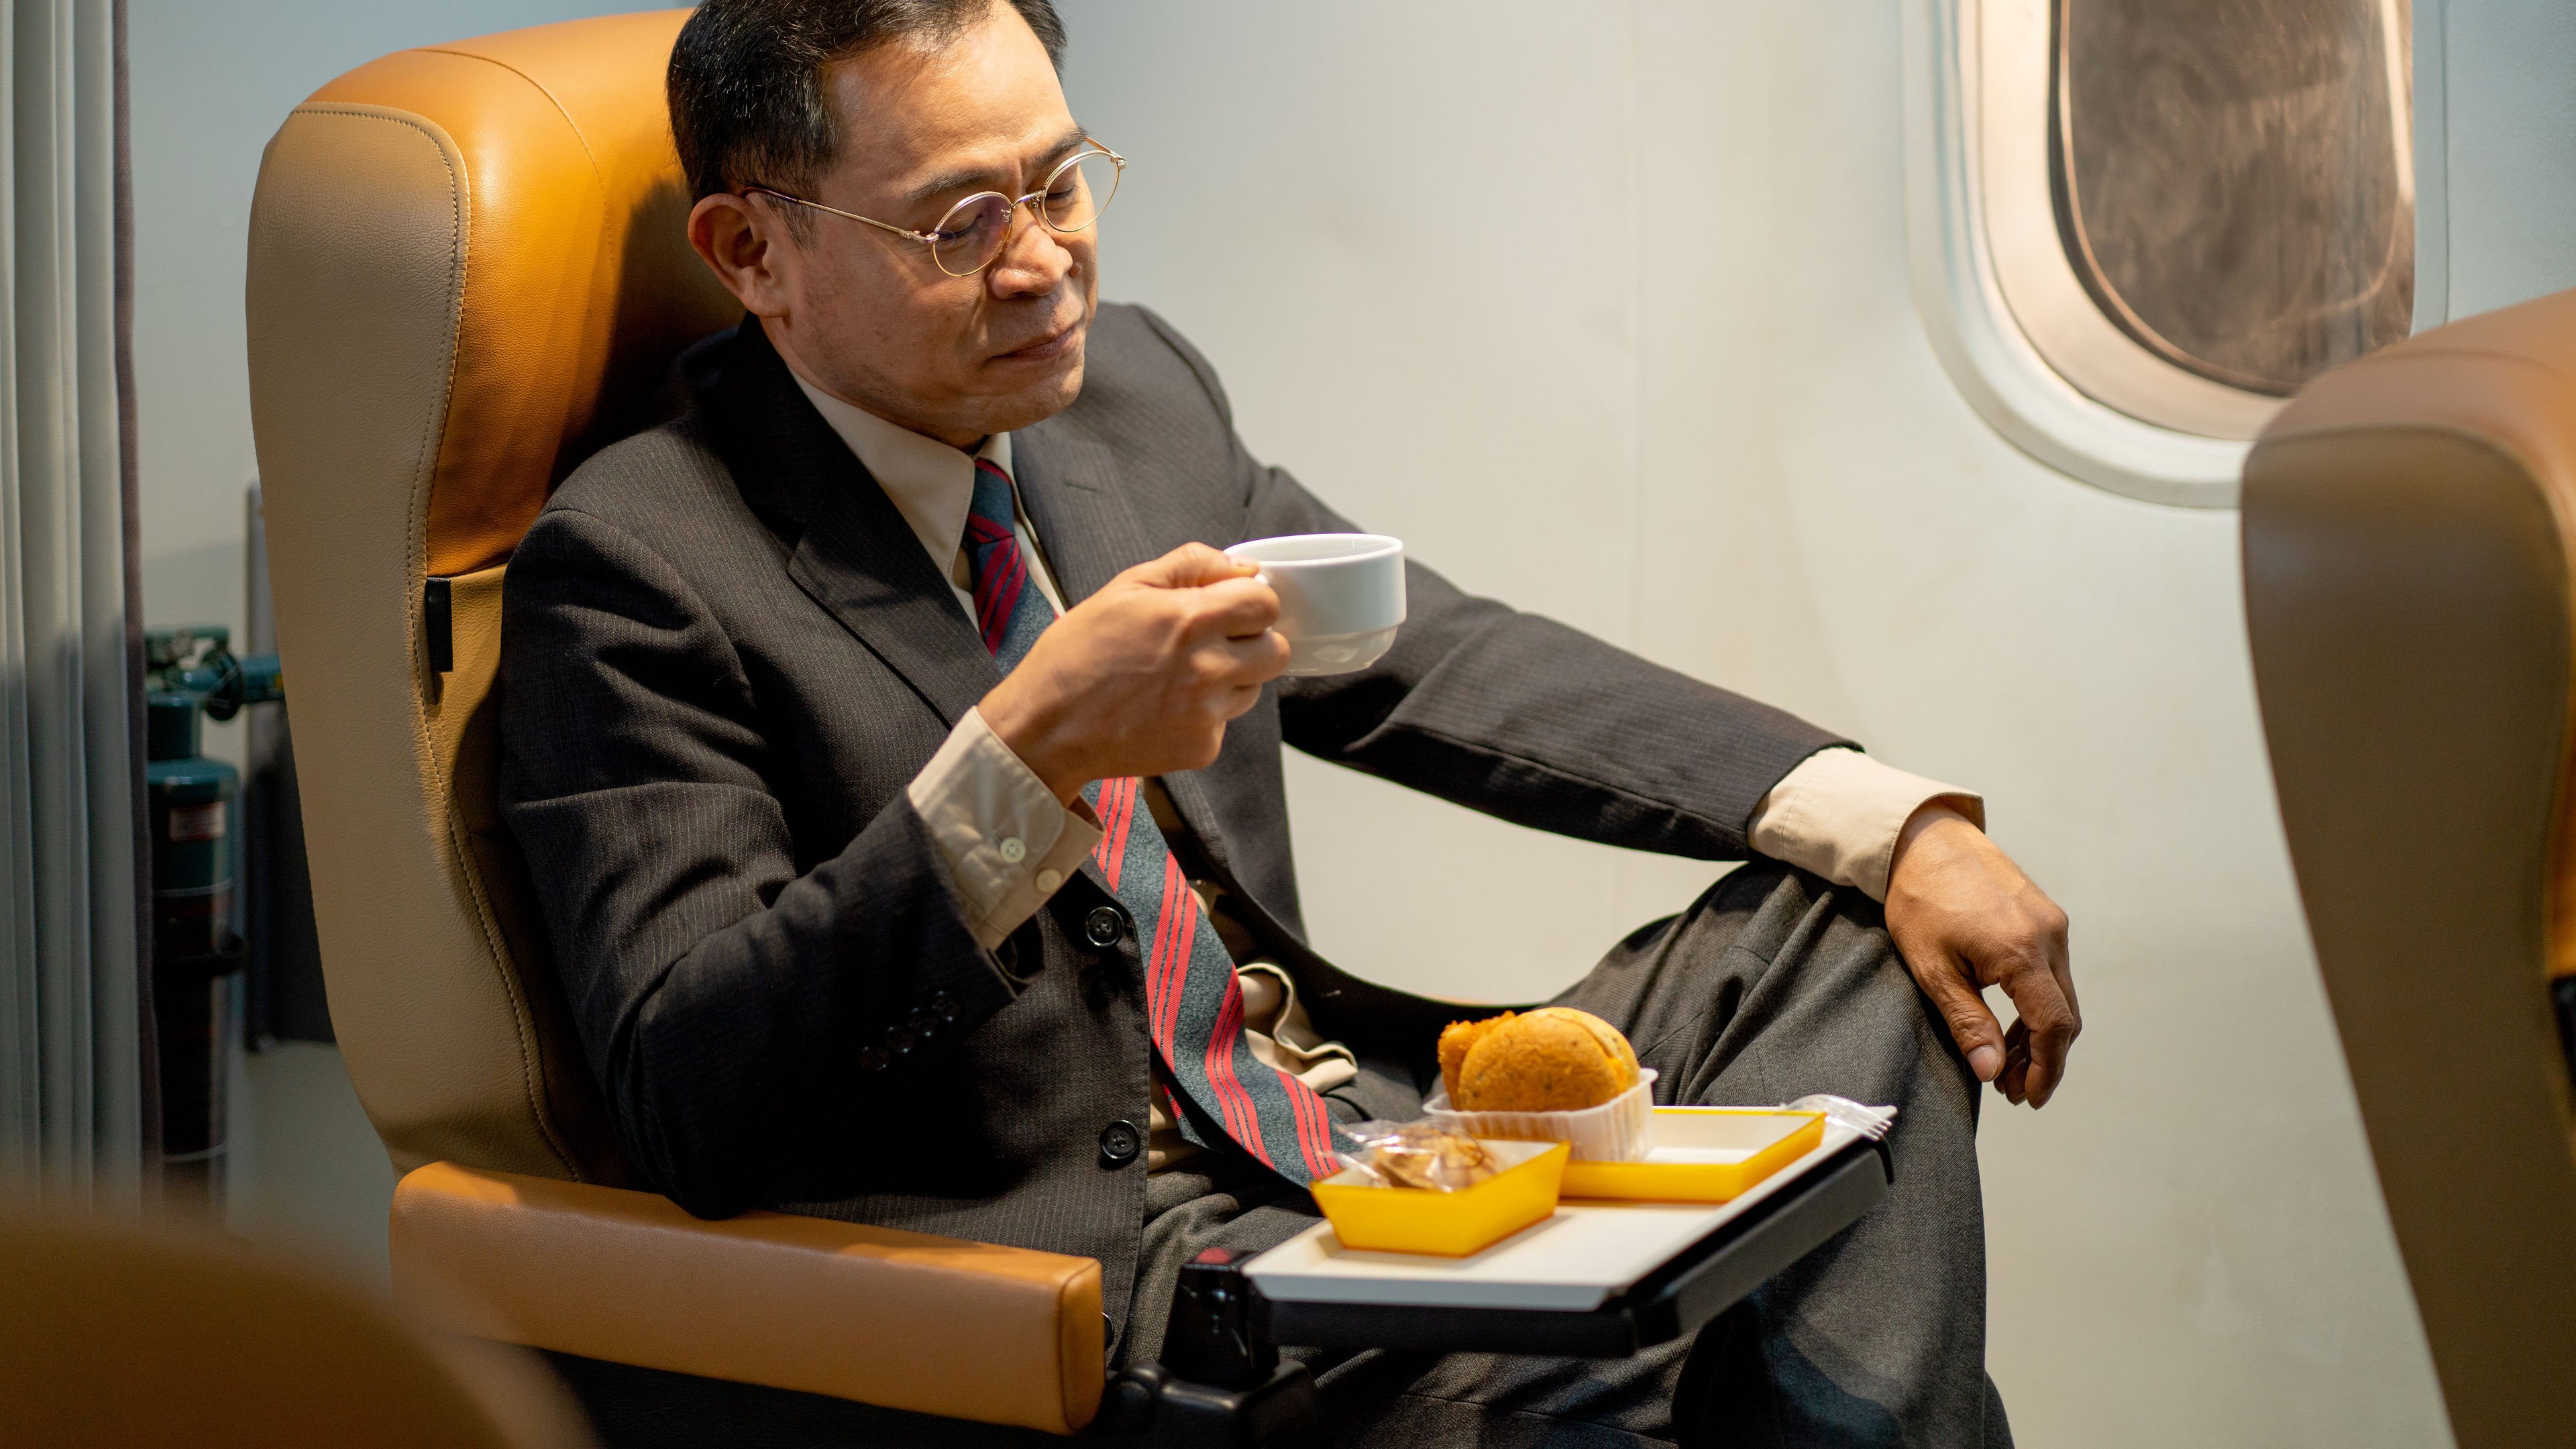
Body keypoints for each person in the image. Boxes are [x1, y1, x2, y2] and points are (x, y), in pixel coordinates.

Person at [498, 1, 2079, 1444]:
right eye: (958, 221)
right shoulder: (640, 567)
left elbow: (1424, 659)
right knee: (1607, 1345)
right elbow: (690, 1093)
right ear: (750, 249)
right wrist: (1021, 763)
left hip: (1363, 1135)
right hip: (1132, 1252)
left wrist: (1882, 814)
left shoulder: (1121, 391)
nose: (1044, 263)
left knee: (1859, 932)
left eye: (1059, 183)